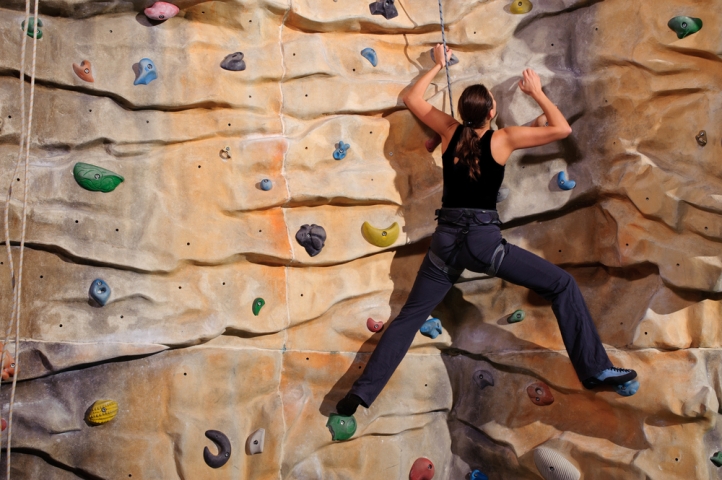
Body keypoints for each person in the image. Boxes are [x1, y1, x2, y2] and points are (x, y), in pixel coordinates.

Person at [336, 44, 636, 417]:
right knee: (561, 284)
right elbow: (561, 128)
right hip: (483, 243)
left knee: (409, 318)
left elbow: (411, 98)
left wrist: (436, 65)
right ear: (491, 113)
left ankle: (360, 395)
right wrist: (537, 92)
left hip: (445, 241)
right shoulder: (503, 138)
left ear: (462, 114)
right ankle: (594, 370)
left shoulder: (449, 131)